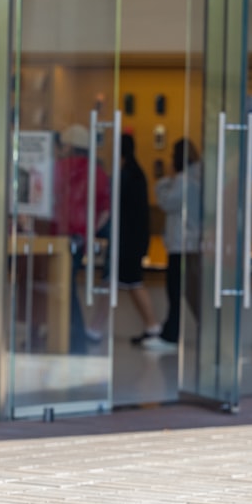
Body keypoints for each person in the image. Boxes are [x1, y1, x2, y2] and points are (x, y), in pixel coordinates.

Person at [50, 124, 111, 354]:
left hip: (57, 234)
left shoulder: (58, 168)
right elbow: (105, 210)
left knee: (63, 286)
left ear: (68, 145)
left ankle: (73, 337)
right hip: (80, 237)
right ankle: (71, 336)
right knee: (68, 284)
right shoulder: (98, 173)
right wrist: (90, 230)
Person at [145, 137, 202, 352]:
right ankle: (191, 331)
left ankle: (171, 336)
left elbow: (166, 202)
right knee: (189, 293)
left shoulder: (184, 181)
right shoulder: (197, 179)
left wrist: (162, 181)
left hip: (182, 243)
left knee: (177, 291)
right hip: (191, 243)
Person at [115, 134, 161, 345]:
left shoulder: (128, 175)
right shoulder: (135, 173)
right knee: (122, 282)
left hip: (129, 240)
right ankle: (94, 328)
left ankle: (152, 325)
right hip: (134, 238)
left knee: (132, 282)